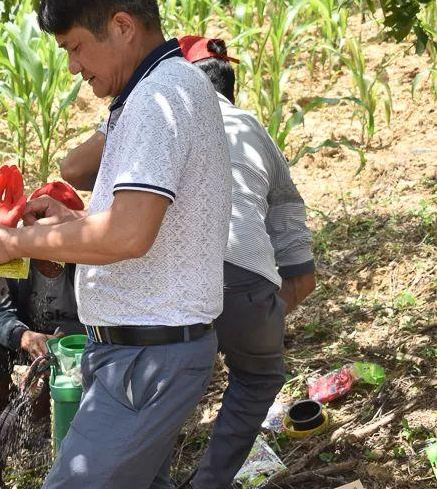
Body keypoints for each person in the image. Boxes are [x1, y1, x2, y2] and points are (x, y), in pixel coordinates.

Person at [0, 0, 232, 488]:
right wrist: (61, 221)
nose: (74, 65)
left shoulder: (158, 99)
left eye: (77, 46)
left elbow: (128, 234)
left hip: (147, 357)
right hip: (142, 350)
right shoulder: (149, 94)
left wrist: (19, 244)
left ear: (123, 26)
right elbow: (138, 218)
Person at [60, 36, 317, 488]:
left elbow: (74, 170)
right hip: (245, 275)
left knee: (154, 384)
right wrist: (291, 279)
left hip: (165, 287)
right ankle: (210, 483)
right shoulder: (248, 125)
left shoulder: (153, 104)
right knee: (257, 378)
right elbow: (288, 210)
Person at [0, 182, 86, 432]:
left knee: (72, 356)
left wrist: (65, 341)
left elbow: (100, 318)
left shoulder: (89, 266)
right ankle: (0, 391)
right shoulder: (14, 261)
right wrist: (24, 336)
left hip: (73, 341)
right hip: (28, 336)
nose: (49, 254)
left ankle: (53, 394)